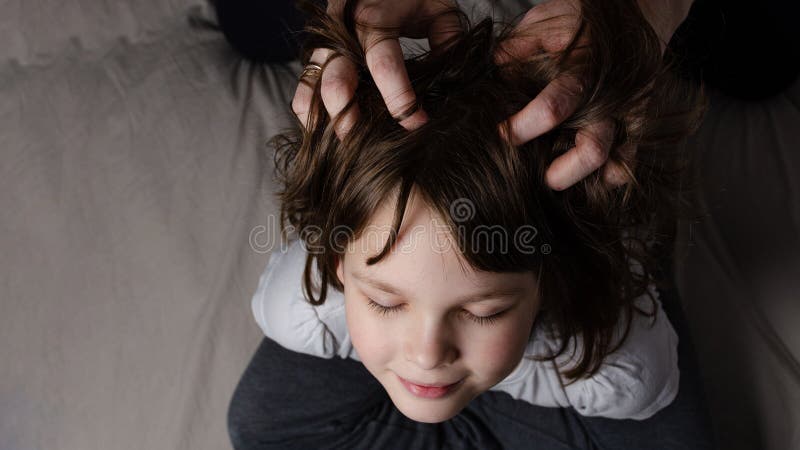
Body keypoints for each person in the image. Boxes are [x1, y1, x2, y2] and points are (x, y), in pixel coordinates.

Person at [226, 0, 714, 448]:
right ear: (336, 265)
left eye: (484, 311)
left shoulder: (619, 367)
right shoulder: (299, 309)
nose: (427, 355)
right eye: (384, 300)